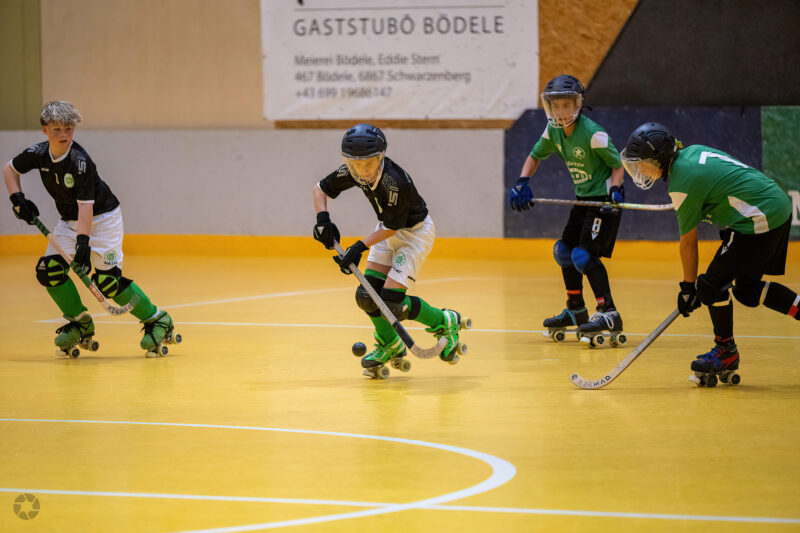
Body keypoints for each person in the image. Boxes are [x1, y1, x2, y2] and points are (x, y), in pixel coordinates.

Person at [621, 122, 797, 383]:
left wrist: (688, 287)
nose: (639, 171)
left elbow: (688, 242)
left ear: (658, 159)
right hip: (774, 206)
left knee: (710, 286)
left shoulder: (682, 183)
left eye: (642, 164)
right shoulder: (692, 153)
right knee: (747, 290)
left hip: (759, 217)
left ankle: (725, 352)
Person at [3, 100, 177, 357]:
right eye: (57, 129)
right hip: (69, 222)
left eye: (68, 128)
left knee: (108, 282)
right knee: (48, 271)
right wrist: (18, 200)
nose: (63, 134)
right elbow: (9, 169)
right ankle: (80, 323)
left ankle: (157, 319)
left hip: (103, 219)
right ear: (45, 129)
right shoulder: (38, 154)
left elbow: (86, 207)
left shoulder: (80, 161)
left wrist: (83, 244)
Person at [312, 123, 465, 376]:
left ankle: (444, 322)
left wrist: (359, 246)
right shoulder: (354, 170)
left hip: (413, 234)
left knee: (393, 303)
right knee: (366, 295)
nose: (363, 171)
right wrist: (323, 221)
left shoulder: (394, 182)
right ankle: (390, 344)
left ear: (381, 157)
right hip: (386, 229)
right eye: (356, 164)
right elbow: (320, 189)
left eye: (369, 164)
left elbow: (393, 228)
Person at [509, 74, 626, 341]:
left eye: (566, 105)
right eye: (555, 106)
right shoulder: (552, 131)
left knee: (583, 256)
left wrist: (615, 192)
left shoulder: (593, 134)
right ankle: (576, 310)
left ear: (577, 104)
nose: (560, 112)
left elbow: (617, 166)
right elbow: (534, 156)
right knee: (563, 252)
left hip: (604, 200)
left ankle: (609, 312)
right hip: (582, 199)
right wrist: (522, 181)